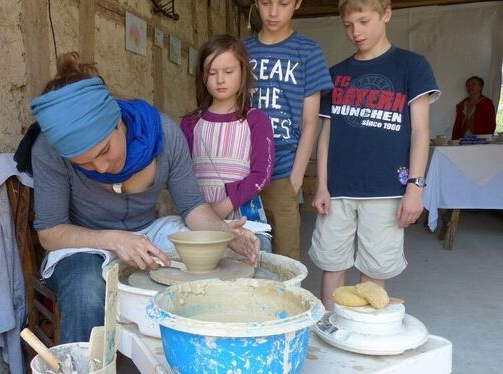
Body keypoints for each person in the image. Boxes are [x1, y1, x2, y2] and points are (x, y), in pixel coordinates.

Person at [27, 52, 260, 343]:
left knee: (213, 258)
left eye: (103, 151)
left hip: (147, 232)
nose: (100, 167)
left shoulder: (163, 134)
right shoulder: (48, 150)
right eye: (82, 163)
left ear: (117, 121)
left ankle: (203, 352)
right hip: (85, 242)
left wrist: (224, 233)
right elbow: (50, 233)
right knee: (86, 288)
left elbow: (191, 206)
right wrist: (113, 240)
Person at [309, 0, 440, 310]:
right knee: (331, 263)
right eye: (349, 25)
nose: (356, 32)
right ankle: (329, 328)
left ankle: (362, 337)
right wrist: (322, 185)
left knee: (374, 271)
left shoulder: (412, 66)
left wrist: (415, 188)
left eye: (364, 21)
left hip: (387, 190)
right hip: (339, 189)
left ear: (387, 13)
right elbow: (326, 135)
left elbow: (421, 132)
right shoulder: (336, 74)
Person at [244, 0, 333, 260]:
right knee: (244, 256)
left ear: (297, 3)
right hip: (242, 171)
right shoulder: (242, 50)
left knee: (285, 260)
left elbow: (310, 122)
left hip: (283, 172)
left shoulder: (308, 52)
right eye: (265, 3)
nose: (273, 12)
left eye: (283, 3)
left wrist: (295, 181)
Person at [180, 35, 275, 253]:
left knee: (258, 259)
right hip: (199, 216)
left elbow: (262, 174)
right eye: (212, 73)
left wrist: (224, 206)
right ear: (203, 77)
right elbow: (181, 173)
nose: (220, 79)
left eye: (228, 72)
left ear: (243, 73)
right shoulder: (191, 122)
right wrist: (205, 215)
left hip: (245, 217)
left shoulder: (257, 120)